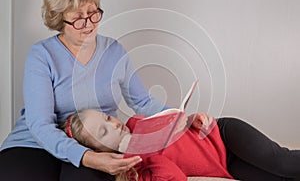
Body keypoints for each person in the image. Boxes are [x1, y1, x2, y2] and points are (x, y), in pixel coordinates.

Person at [0, 0, 169, 180]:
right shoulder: (42, 55)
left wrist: (180, 118)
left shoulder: (114, 51)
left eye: (92, 13)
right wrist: (85, 157)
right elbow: (41, 124)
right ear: (59, 20)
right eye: (78, 19)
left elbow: (143, 102)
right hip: (34, 143)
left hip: (95, 143)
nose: (89, 24)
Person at [61, 109, 300, 181]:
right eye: (103, 131)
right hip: (226, 165)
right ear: (100, 151)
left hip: (223, 135)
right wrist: (143, 155)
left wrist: (194, 119)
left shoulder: (137, 122)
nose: (113, 124)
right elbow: (176, 177)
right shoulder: (135, 170)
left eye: (107, 118)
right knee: (279, 177)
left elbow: (176, 118)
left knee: (282, 161)